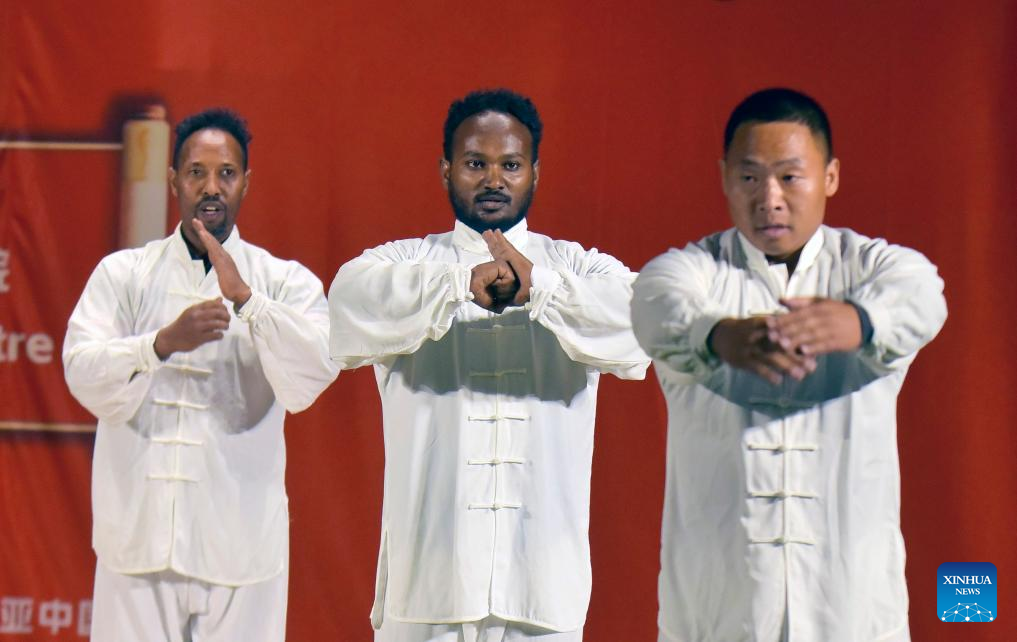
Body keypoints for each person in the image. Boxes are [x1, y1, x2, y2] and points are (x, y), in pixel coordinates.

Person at [328, 88, 649, 641]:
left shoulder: (573, 267)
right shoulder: (408, 262)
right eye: (476, 163)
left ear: (535, 173)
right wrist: (459, 283)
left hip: (542, 589)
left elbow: (642, 321)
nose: (493, 179)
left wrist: (540, 289)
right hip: (427, 587)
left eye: (511, 165)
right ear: (446, 169)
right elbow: (347, 300)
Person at [631, 88, 947, 642]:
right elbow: (654, 304)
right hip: (720, 610)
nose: (769, 199)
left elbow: (923, 293)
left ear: (830, 177)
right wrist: (718, 335)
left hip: (850, 609)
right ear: (724, 178)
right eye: (749, 177)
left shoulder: (869, 268)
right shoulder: (693, 271)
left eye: (790, 177)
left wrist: (860, 320)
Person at [63, 108, 338, 641]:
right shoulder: (124, 275)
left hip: (240, 547)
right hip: (137, 543)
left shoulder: (283, 282)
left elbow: (313, 375)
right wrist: (159, 344)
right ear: (173, 180)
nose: (211, 187)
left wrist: (249, 302)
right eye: (196, 173)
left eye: (226, 173)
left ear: (246, 182)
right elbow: (83, 372)